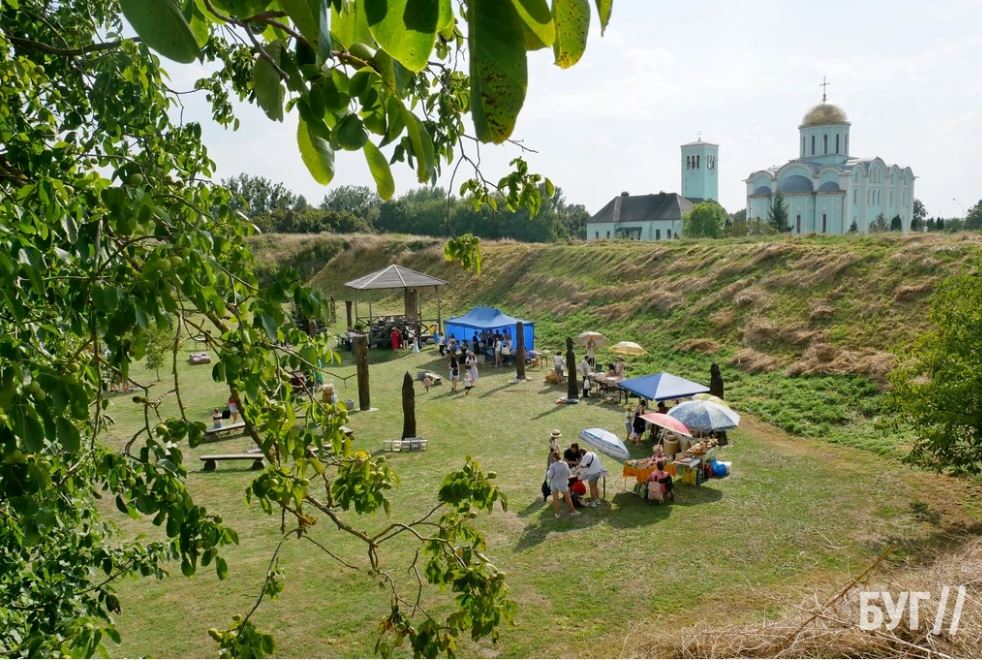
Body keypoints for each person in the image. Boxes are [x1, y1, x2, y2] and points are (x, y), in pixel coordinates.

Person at [545, 451, 580, 518]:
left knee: (555, 499)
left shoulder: (552, 466)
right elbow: (569, 474)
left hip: (554, 483)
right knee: (568, 498)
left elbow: (550, 476)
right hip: (562, 483)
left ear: (553, 458)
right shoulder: (564, 463)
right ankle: (573, 511)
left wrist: (548, 471)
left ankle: (557, 514)